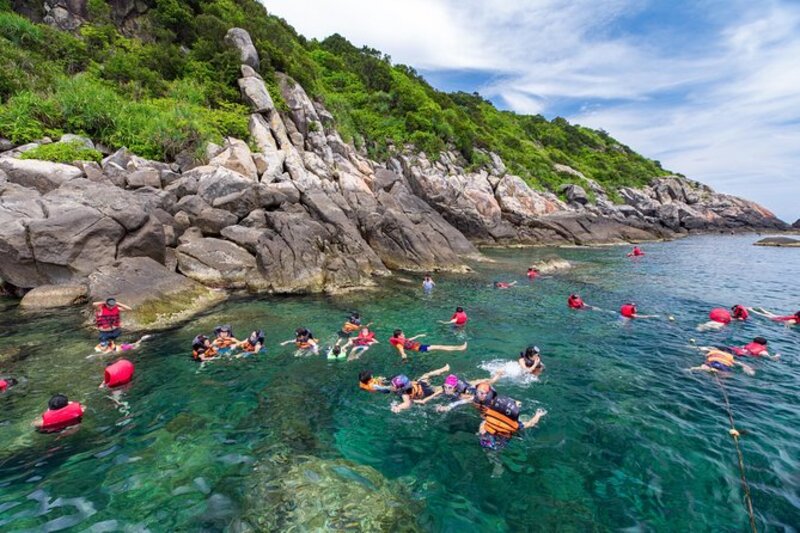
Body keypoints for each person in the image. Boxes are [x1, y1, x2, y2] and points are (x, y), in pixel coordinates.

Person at [472, 383, 547, 450]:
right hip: (500, 444)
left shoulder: (490, 415)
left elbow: (484, 423)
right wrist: (538, 415)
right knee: (517, 431)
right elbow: (531, 423)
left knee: (483, 423)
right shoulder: (514, 425)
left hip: (485, 440)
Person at [435, 371, 505, 412]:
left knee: (488, 382)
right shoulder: (452, 389)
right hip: (474, 392)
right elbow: (461, 401)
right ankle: (497, 375)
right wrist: (448, 407)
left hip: (475, 391)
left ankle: (498, 374)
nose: (447, 389)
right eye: (445, 387)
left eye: (449, 387)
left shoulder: (470, 394)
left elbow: (464, 400)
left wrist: (448, 407)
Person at [389, 329, 467, 360]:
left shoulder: (400, 340)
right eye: (402, 334)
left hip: (420, 346)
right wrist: (403, 355)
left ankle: (459, 347)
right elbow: (401, 349)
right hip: (420, 348)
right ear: (399, 336)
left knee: (439, 346)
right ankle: (460, 348)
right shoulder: (399, 344)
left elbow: (408, 340)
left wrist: (418, 336)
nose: (404, 334)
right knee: (439, 347)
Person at [690, 347, 755, 375]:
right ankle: (717, 371)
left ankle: (693, 369)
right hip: (724, 364)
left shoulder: (713, 351)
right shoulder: (730, 356)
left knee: (703, 366)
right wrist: (747, 367)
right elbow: (738, 363)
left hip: (712, 362)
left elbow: (705, 354)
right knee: (726, 374)